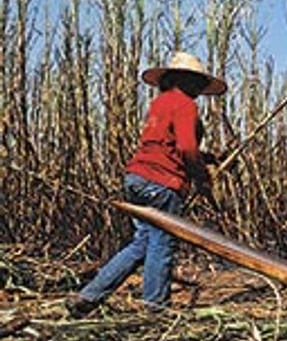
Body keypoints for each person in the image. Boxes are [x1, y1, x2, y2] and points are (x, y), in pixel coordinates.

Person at [69, 51, 226, 314]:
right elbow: (187, 148)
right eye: (197, 83)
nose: (199, 90)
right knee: (162, 243)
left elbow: (165, 144)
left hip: (137, 178)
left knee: (142, 243)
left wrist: (209, 157)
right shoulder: (186, 105)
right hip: (162, 183)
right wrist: (202, 177)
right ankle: (156, 310)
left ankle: (89, 296)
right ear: (183, 80)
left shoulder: (160, 103)